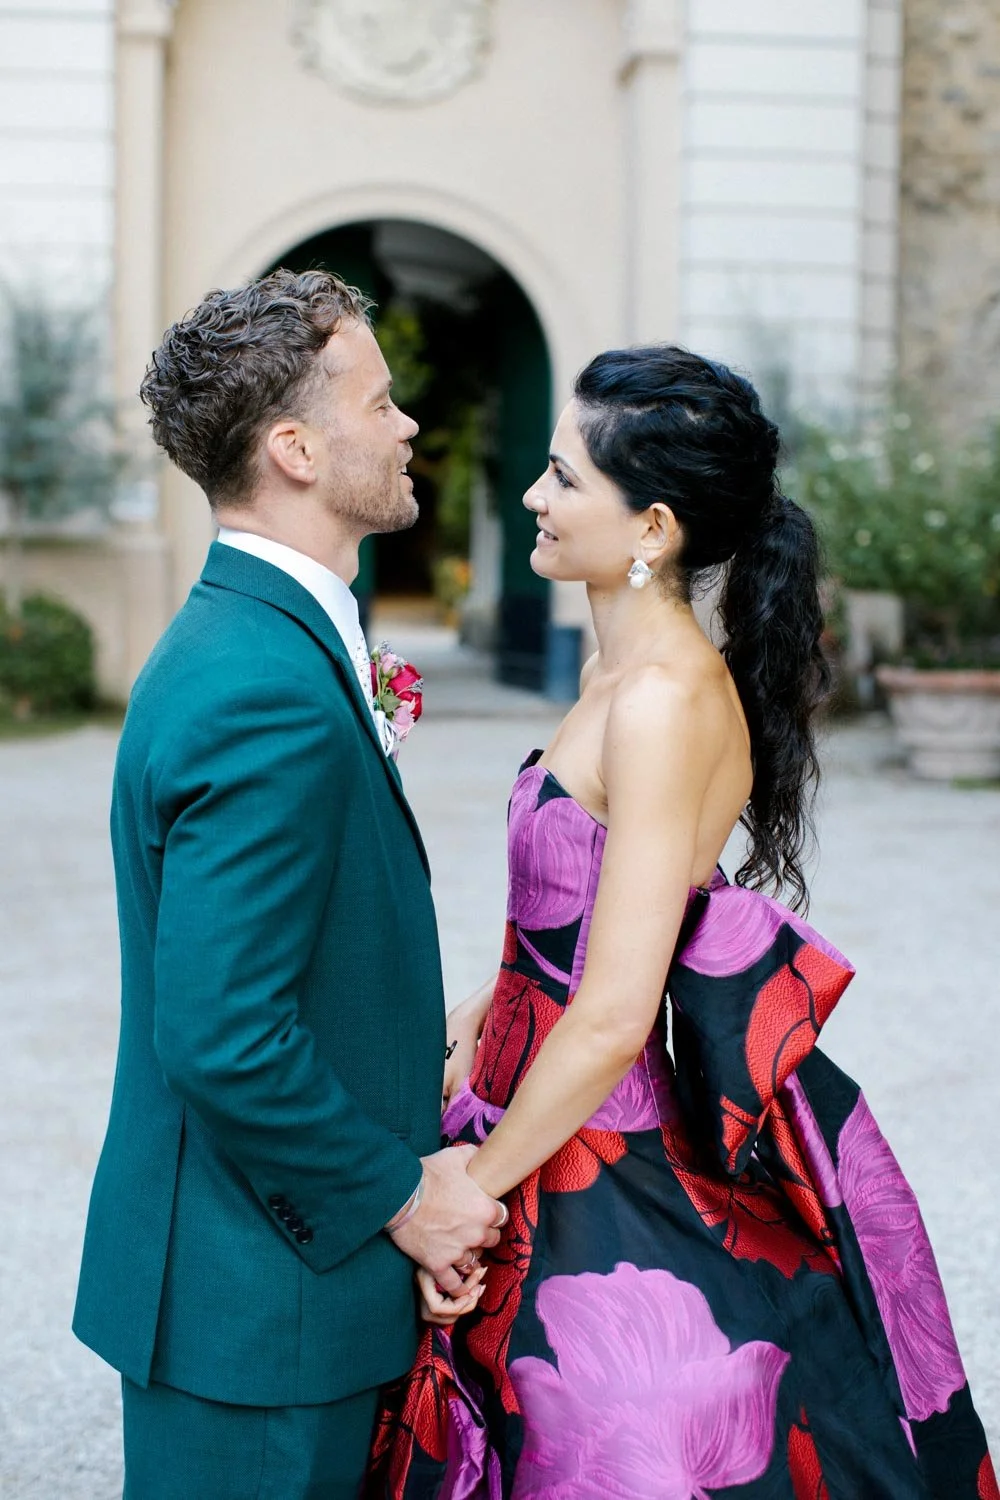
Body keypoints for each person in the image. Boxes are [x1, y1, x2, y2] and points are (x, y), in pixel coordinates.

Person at [367, 347, 997, 1498]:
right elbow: (563, 935)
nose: (532, 499)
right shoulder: (616, 678)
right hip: (519, 1090)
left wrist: (476, 1188)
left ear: (650, 526)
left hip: (584, 1144)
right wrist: (469, 1018)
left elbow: (612, 1014)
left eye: (562, 479)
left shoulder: (661, 702)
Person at [72, 268, 506, 1500]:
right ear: (298, 448)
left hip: (275, 1290)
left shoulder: (264, 642)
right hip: (256, 1315)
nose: (408, 423)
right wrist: (403, 1201)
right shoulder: (260, 686)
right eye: (379, 403)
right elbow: (219, 1033)